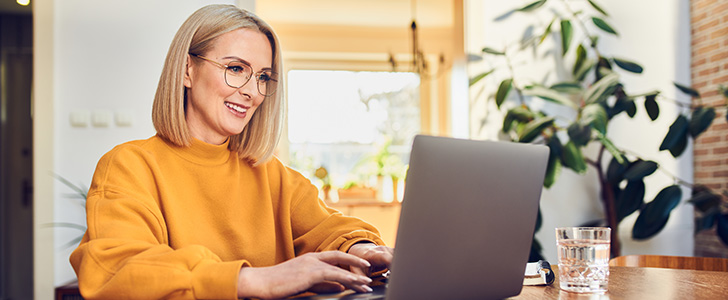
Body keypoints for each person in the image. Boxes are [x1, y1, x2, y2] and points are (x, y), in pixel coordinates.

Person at [70, 4, 393, 300]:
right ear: (186, 70)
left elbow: (329, 228)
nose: (252, 92)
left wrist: (361, 248)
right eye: (236, 68)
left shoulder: (270, 173)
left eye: (263, 77)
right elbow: (119, 270)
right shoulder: (130, 166)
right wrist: (254, 280)